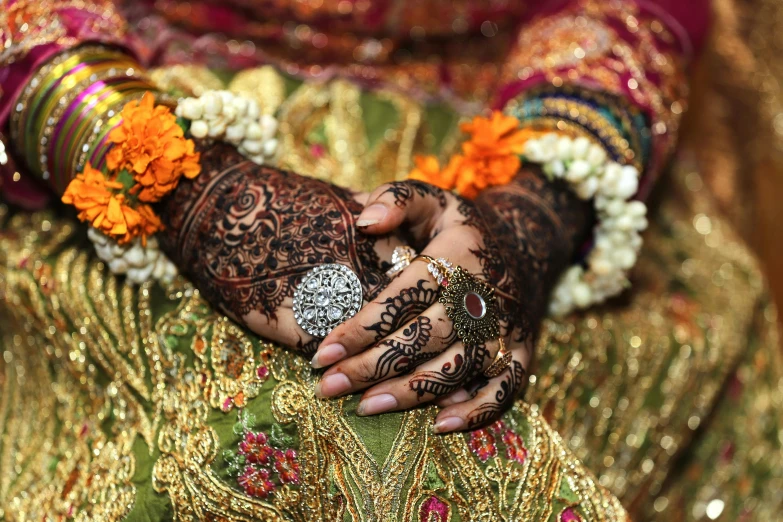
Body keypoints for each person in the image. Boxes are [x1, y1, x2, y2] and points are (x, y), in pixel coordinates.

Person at [0, 0, 781, 520]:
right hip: (135, 101)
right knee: (282, 403)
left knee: (462, 395)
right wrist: (188, 187)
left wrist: (536, 213)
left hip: (510, 137)